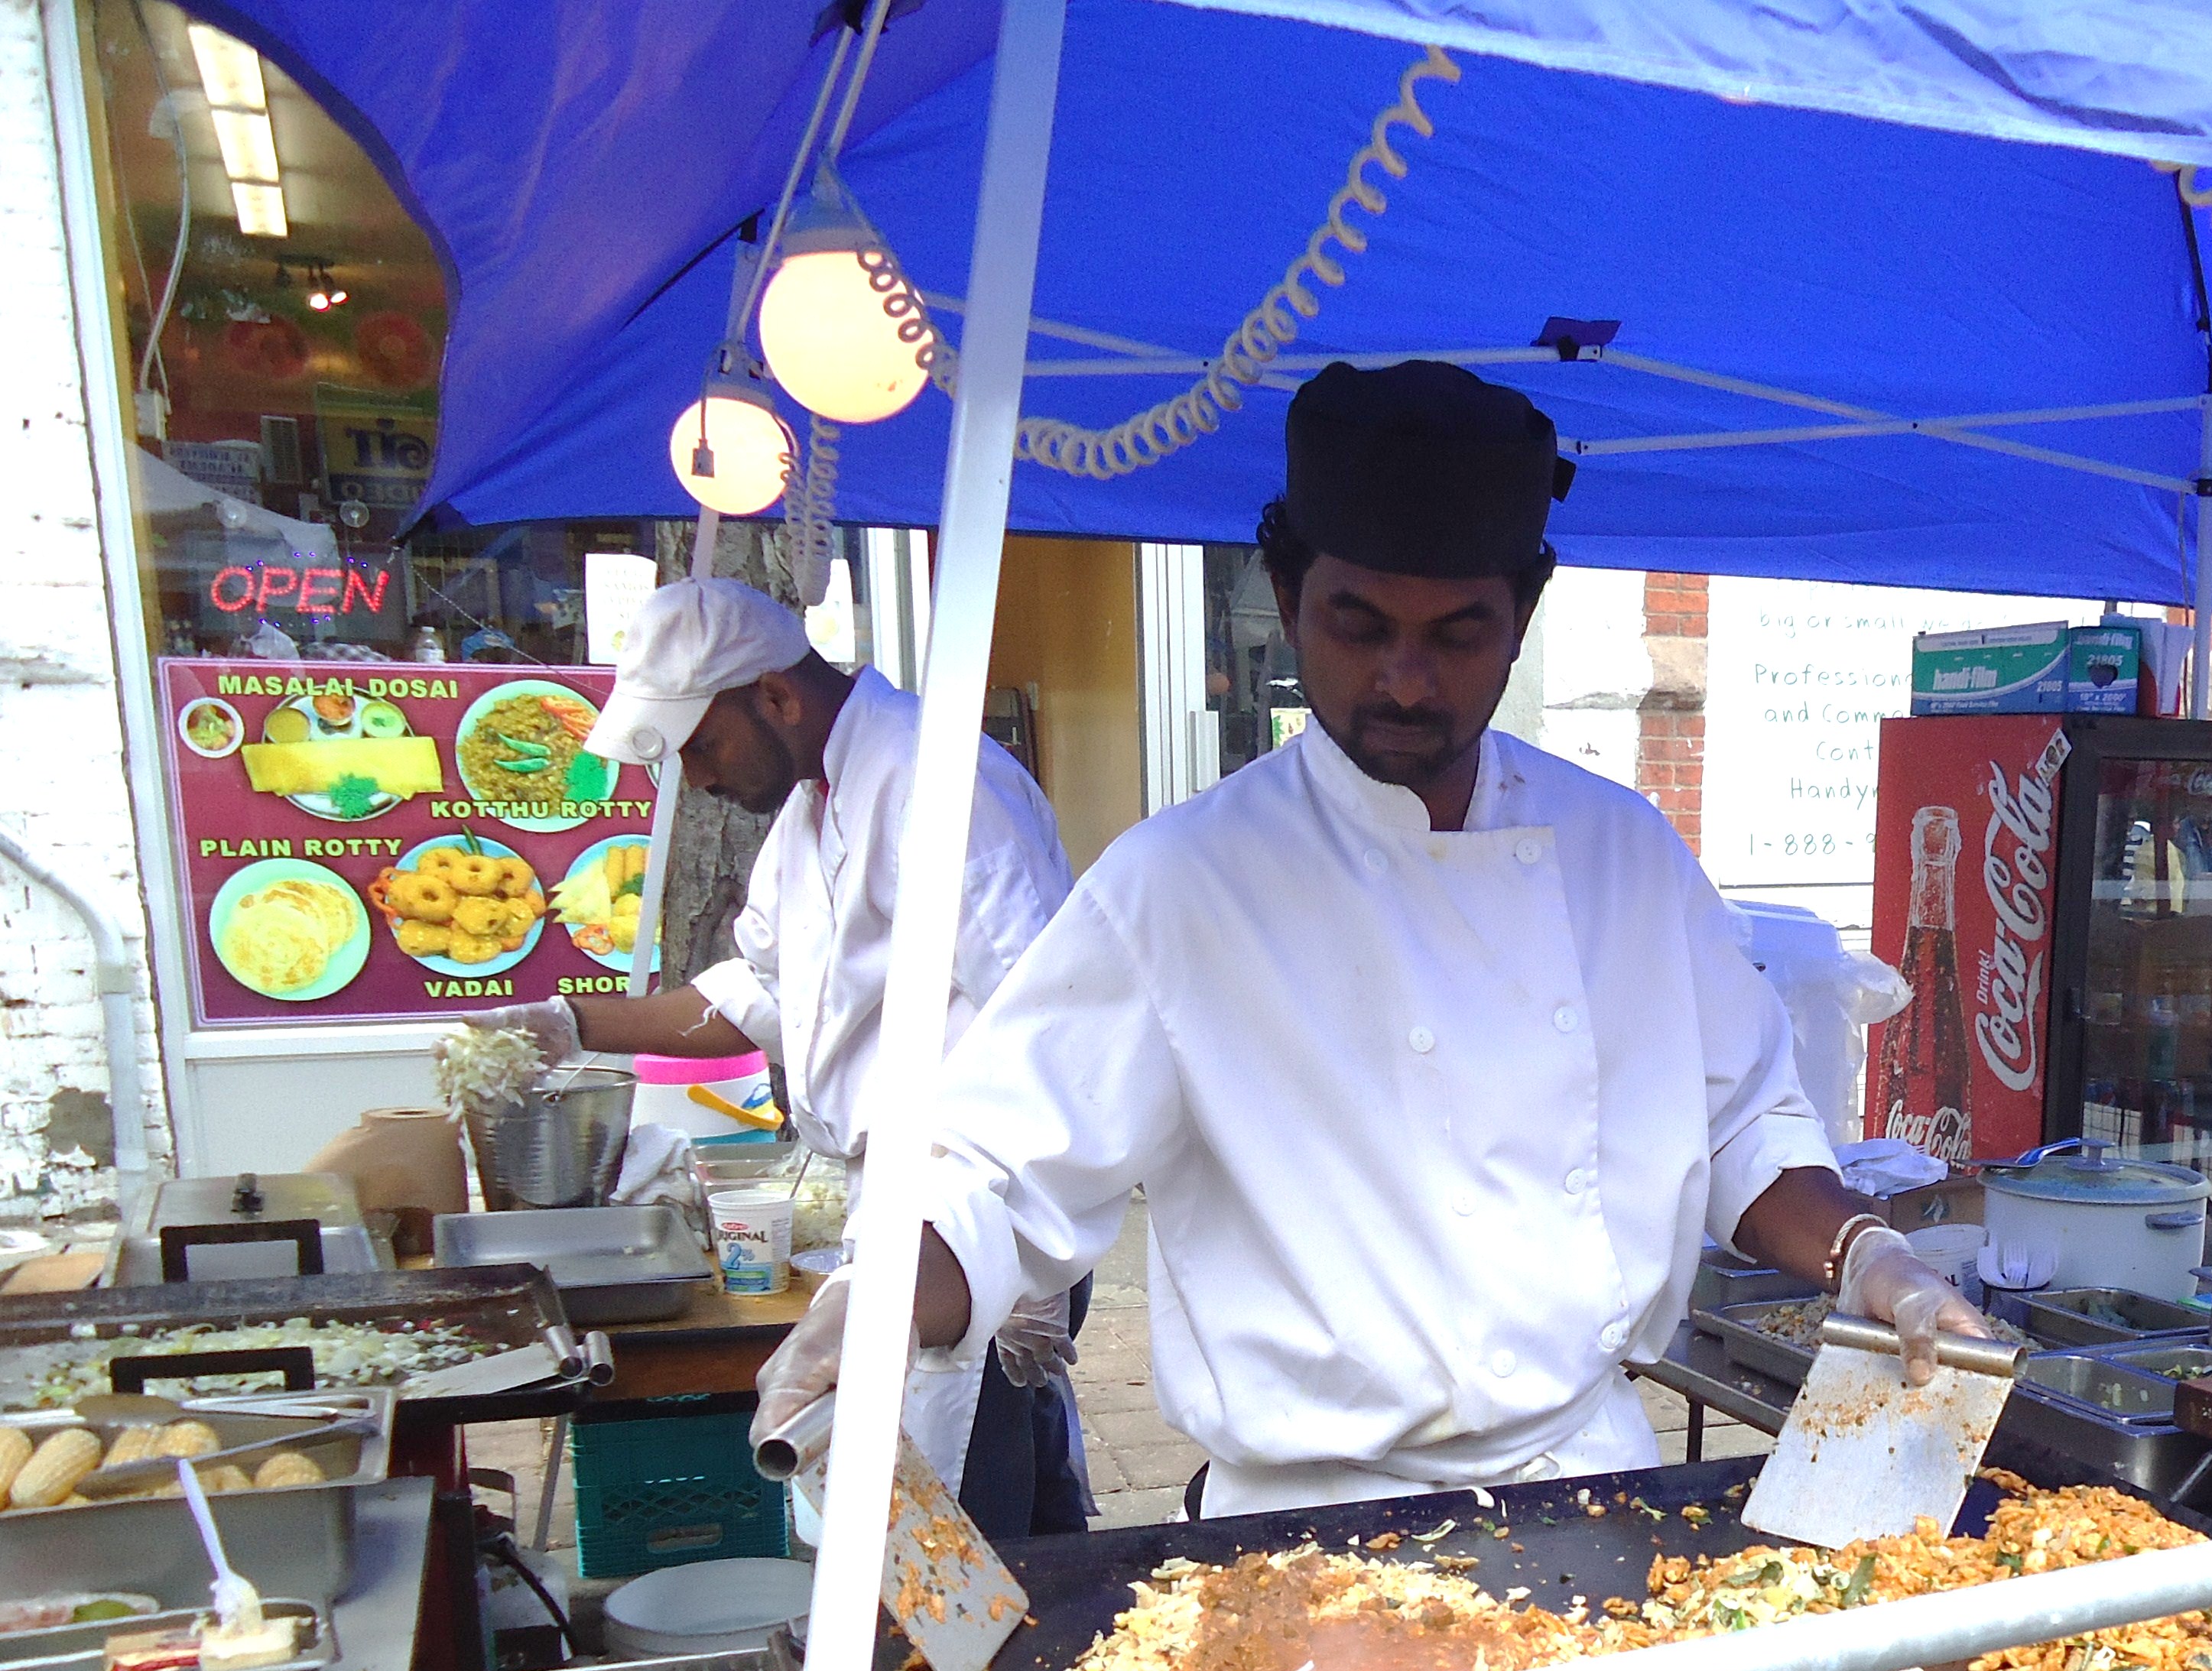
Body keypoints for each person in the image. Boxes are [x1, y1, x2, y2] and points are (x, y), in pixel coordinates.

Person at [754, 359, 1990, 1517]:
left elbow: (1741, 1129)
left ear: (1523, 613)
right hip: (1306, 1530)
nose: (1404, 679)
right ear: (1288, 598)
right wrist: (875, 1304)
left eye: (1456, 633)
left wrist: (1871, 1257)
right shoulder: (1184, 885)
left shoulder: (1626, 857)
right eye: (1359, 625)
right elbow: (1002, 1175)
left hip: (1585, 1494)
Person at [470, 579, 1090, 1536]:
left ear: (776, 695)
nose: (702, 777)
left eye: (704, 746)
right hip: (898, 1203)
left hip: (981, 1218)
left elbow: (1049, 1016)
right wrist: (575, 1023)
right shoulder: (810, 810)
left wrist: (1035, 1274)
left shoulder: (936, 782)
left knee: (967, 1534)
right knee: (944, 1512)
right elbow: (762, 993)